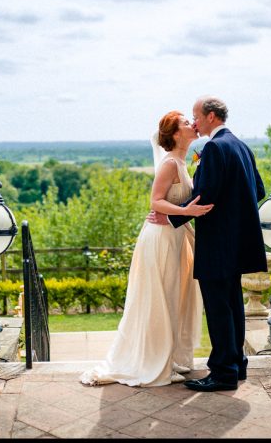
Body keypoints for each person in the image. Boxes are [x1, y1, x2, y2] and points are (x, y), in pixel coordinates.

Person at [80, 111, 212, 387]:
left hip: (174, 236)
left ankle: (169, 356)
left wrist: (181, 214)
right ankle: (155, 362)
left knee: (174, 297)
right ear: (176, 134)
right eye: (186, 123)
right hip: (160, 238)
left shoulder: (182, 162)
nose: (192, 124)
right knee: (161, 299)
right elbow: (155, 202)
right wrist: (185, 211)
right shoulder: (169, 164)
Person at [147, 95, 267, 392]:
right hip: (238, 243)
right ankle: (237, 365)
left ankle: (223, 373)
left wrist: (171, 217)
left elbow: (205, 196)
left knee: (218, 309)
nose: (195, 122)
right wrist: (235, 216)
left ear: (211, 116)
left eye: (196, 116)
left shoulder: (214, 147)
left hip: (218, 244)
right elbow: (259, 190)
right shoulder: (241, 145)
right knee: (233, 306)